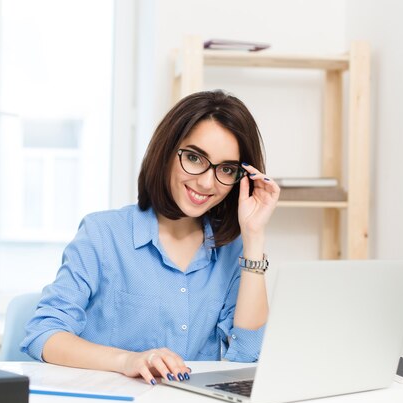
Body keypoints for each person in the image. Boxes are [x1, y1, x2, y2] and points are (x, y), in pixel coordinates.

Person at [20, 90, 280, 386]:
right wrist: (127, 360)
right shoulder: (103, 234)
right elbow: (44, 335)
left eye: (226, 169)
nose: (207, 182)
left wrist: (254, 236)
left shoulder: (234, 252)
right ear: (167, 153)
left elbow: (248, 355)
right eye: (194, 158)